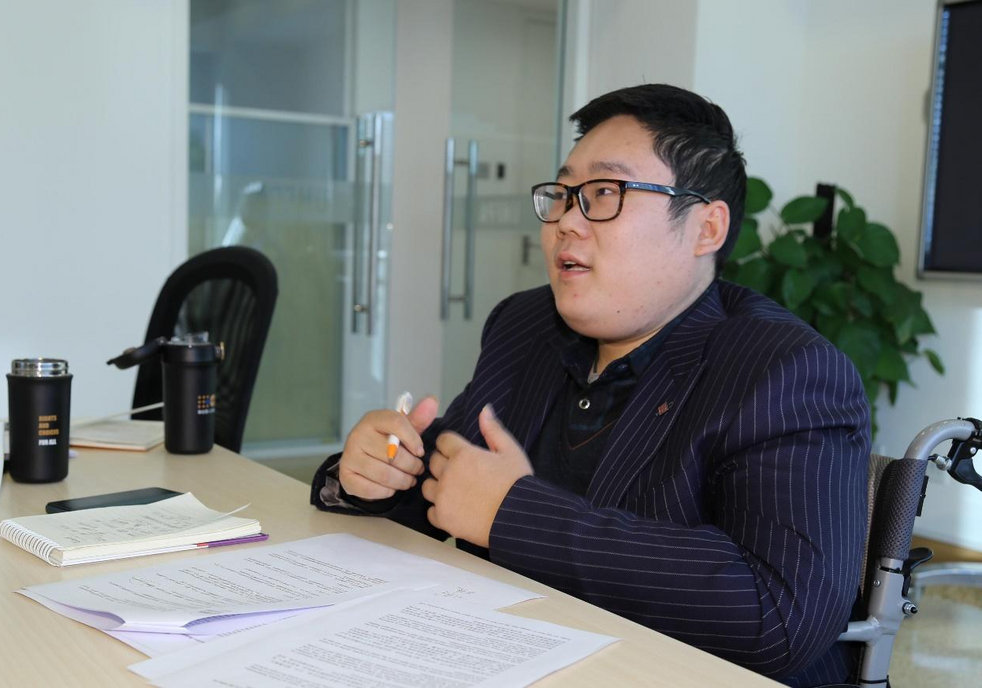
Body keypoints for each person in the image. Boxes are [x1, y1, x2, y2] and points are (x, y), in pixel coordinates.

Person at [312, 84, 870, 687]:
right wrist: (373, 474)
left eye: (605, 193)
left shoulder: (786, 370)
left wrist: (514, 514)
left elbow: (779, 616)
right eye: (563, 194)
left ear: (706, 228)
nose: (565, 223)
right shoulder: (525, 324)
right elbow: (449, 486)